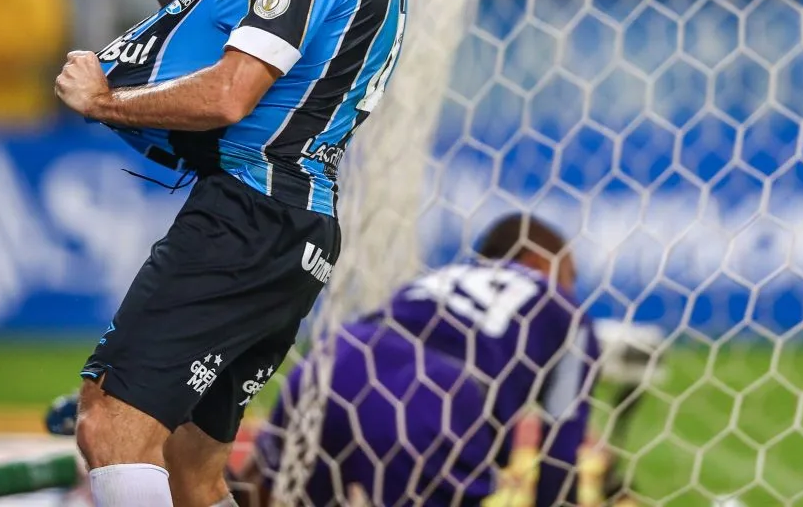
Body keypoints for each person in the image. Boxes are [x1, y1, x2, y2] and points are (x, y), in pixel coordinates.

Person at [52, 0, 410, 507]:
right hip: (294, 227)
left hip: (247, 219)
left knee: (111, 424)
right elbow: (256, 55)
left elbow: (229, 96)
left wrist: (104, 102)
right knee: (190, 464)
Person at [237, 214, 600, 507]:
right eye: (570, 276)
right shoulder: (566, 310)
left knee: (267, 490)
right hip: (432, 400)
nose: (571, 288)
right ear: (538, 261)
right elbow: (559, 454)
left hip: (337, 359)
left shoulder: (444, 276)